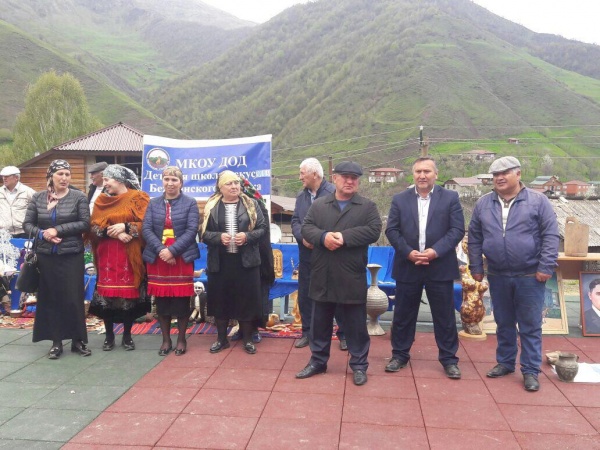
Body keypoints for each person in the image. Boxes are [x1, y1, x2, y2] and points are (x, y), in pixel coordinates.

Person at [468, 156, 559, 392]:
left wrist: (545, 267)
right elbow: (475, 237)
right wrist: (476, 267)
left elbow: (550, 235)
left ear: (518, 174)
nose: (499, 178)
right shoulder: (483, 203)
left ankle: (530, 370)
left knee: (530, 325)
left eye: (504, 173)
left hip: (529, 275)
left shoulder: (538, 201)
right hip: (497, 273)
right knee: (503, 322)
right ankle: (506, 362)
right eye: (495, 174)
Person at [296, 161, 381, 386]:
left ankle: (359, 365)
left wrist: (344, 238)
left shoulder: (367, 206)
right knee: (319, 323)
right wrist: (323, 237)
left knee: (356, 325)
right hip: (322, 273)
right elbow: (306, 228)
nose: (349, 181)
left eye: (354, 178)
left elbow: (373, 231)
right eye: (345, 177)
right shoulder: (319, 205)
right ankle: (318, 361)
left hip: (351, 275)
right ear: (335, 179)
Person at [384, 156, 465, 379]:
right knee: (403, 314)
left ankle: (449, 359)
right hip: (408, 265)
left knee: (444, 316)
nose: (422, 175)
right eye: (418, 171)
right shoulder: (400, 199)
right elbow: (392, 230)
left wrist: (435, 252)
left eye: (427, 171)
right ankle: (399, 355)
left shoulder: (450, 198)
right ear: (413, 174)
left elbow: (457, 230)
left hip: (439, 265)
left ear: (435, 174)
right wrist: (408, 253)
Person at [22, 160, 90, 359]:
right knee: (51, 298)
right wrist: (43, 234)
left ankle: (78, 341)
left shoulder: (78, 197)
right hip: (46, 256)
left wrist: (57, 230)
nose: (64, 178)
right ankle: (56, 342)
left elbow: (85, 223)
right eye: (60, 174)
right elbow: (27, 224)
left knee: (73, 298)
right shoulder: (38, 198)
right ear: (51, 176)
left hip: (71, 255)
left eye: (67, 174)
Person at [201, 170, 268, 355]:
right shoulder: (211, 206)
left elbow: (262, 228)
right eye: (229, 183)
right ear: (220, 187)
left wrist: (247, 237)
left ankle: (247, 340)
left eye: (236, 183)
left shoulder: (252, 204)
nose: (234, 186)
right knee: (220, 301)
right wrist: (218, 237)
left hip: (246, 263)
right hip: (220, 263)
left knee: (247, 301)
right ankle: (221, 339)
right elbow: (203, 234)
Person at [87, 164, 150, 352]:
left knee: (128, 296)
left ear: (119, 180)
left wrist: (126, 227)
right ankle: (109, 336)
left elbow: (147, 224)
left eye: (107, 179)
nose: (104, 183)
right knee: (108, 296)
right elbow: (93, 227)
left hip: (130, 255)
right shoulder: (101, 200)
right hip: (106, 255)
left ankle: (127, 336)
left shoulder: (139, 198)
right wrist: (113, 232)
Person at [142, 166, 200, 356]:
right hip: (158, 258)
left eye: (174, 180)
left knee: (181, 301)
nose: (170, 183)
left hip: (181, 258)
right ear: (162, 181)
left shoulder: (190, 203)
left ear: (181, 183)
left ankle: (182, 339)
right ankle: (166, 340)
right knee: (162, 301)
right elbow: (146, 229)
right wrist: (162, 250)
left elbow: (192, 230)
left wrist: (173, 251)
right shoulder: (153, 203)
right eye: (166, 179)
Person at [291, 158, 346, 350]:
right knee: (306, 294)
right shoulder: (301, 196)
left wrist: (318, 238)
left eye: (302, 173)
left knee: (336, 294)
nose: (300, 177)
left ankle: (344, 334)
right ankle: (307, 332)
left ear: (314, 174)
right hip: (307, 255)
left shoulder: (334, 193)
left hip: (330, 254)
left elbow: (340, 222)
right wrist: (303, 237)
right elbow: (295, 222)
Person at [0, 166, 36, 238]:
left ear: (16, 177)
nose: (4, 178)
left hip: (24, 232)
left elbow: (38, 208)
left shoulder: (28, 191)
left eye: (7, 176)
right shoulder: (0, 192)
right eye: (3, 176)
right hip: (4, 233)